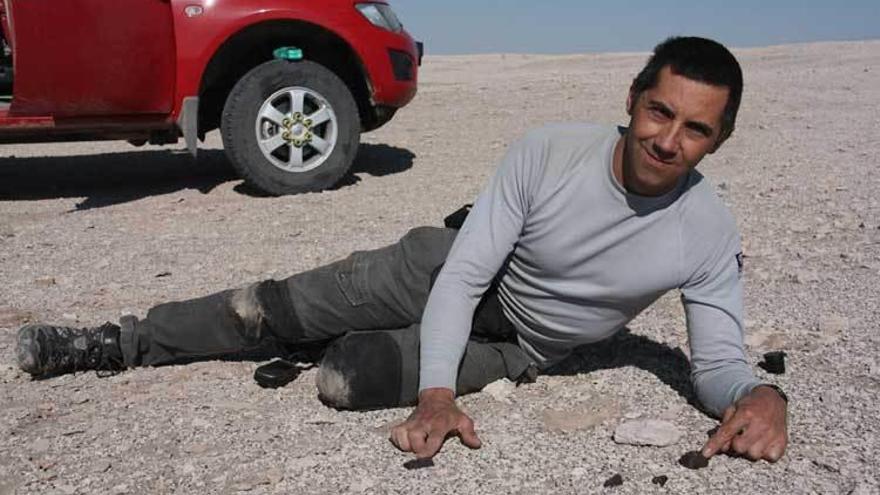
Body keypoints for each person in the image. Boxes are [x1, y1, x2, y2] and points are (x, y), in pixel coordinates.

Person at [16, 36, 787, 464]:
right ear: (632, 99)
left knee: (345, 379)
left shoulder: (707, 230)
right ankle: (122, 341)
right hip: (448, 270)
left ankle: (319, 346)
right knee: (272, 307)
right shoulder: (549, 152)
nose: (668, 140)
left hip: (522, 349)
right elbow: (465, 275)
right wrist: (437, 396)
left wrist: (758, 396)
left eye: (697, 129)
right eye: (660, 112)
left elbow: (717, 358)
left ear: (721, 137)